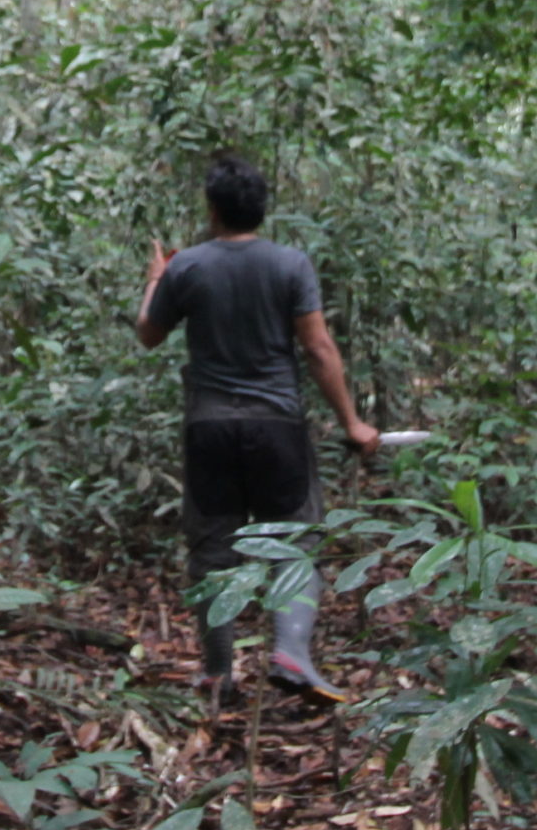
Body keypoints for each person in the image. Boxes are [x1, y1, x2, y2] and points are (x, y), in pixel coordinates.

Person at [135, 155, 377, 703]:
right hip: (277, 428)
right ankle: (290, 653)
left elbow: (148, 334)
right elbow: (317, 348)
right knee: (293, 542)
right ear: (262, 209)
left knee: (213, 549)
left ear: (211, 208)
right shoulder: (291, 265)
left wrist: (155, 281)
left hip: (210, 429)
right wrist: (353, 423)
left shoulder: (188, 266)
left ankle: (218, 672)